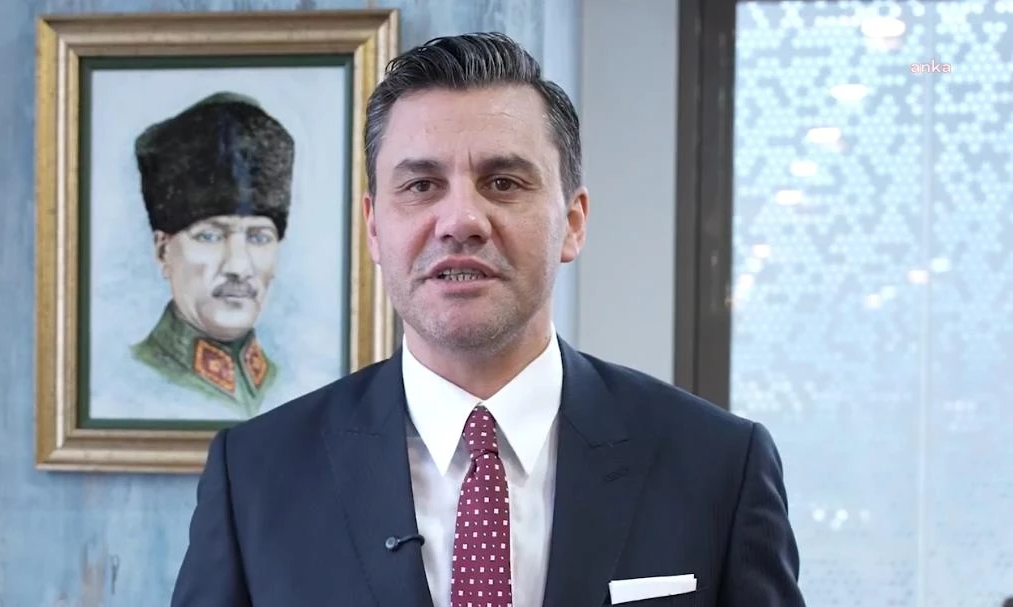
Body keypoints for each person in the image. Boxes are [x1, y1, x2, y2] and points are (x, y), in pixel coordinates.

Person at [170, 33, 806, 607]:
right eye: (421, 186)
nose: (461, 221)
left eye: (503, 183)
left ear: (573, 223)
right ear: (373, 227)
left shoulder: (719, 464)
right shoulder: (255, 477)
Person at [130, 91, 293, 419]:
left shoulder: (290, 385)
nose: (239, 266)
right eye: (210, 236)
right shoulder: (130, 383)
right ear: (163, 251)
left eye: (258, 237)